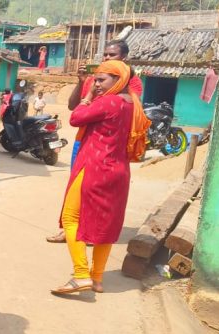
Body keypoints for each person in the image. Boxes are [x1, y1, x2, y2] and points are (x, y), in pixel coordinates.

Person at [51, 60, 147, 294]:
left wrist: (88, 96)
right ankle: (97, 279)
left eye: (102, 80)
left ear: (119, 80)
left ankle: (81, 274)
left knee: (71, 217)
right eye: (95, 80)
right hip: (119, 172)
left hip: (94, 167)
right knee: (107, 225)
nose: (96, 84)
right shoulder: (133, 104)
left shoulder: (109, 102)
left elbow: (76, 117)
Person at [47, 39, 143, 243]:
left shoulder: (130, 82)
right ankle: (69, 228)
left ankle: (91, 232)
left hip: (108, 145)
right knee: (77, 186)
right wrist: (83, 83)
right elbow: (74, 107)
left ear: (124, 58)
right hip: (86, 139)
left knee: (99, 191)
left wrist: (94, 101)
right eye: (105, 54)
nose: (107, 58)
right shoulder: (95, 78)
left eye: (112, 55)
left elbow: (129, 107)